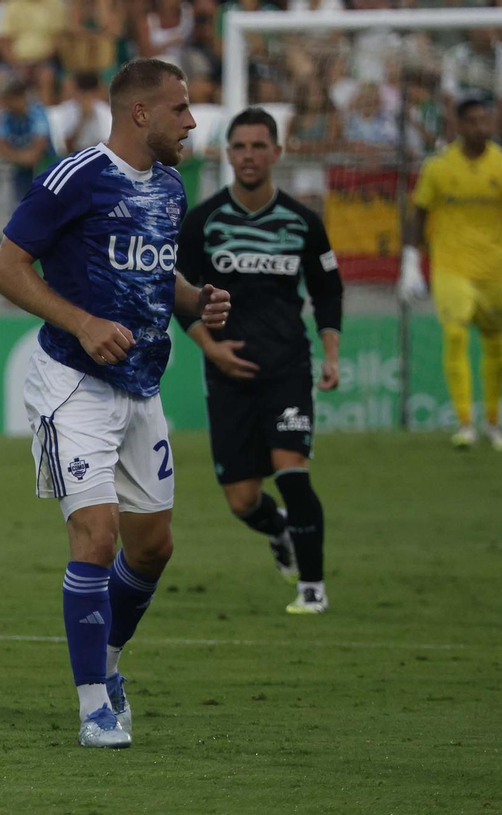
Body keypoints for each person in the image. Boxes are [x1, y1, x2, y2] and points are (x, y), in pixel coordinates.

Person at [0, 58, 230, 749]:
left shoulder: (172, 188)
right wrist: (83, 323)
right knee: (97, 534)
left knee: (153, 548)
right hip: (72, 385)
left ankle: (110, 663)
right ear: (140, 113)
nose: (191, 121)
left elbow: (156, 270)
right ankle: (93, 705)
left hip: (142, 386)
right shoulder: (75, 178)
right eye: (181, 109)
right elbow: (4, 268)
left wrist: (195, 300)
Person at [176, 107, 343, 616]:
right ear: (227, 155)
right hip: (226, 374)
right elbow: (174, 294)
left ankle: (312, 589)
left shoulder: (303, 222)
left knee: (292, 471)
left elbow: (327, 288)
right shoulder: (203, 222)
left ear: (277, 152)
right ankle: (279, 530)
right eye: (239, 147)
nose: (248, 156)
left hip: (288, 369)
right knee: (242, 499)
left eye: (257, 146)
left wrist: (331, 353)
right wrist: (212, 349)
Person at [399, 94, 502, 452]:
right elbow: (419, 215)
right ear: (459, 125)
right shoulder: (439, 166)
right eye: (473, 121)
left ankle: (493, 423)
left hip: (494, 271)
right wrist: (411, 264)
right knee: (455, 335)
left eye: (485, 120)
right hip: (451, 268)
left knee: (496, 348)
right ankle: (464, 424)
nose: (481, 127)